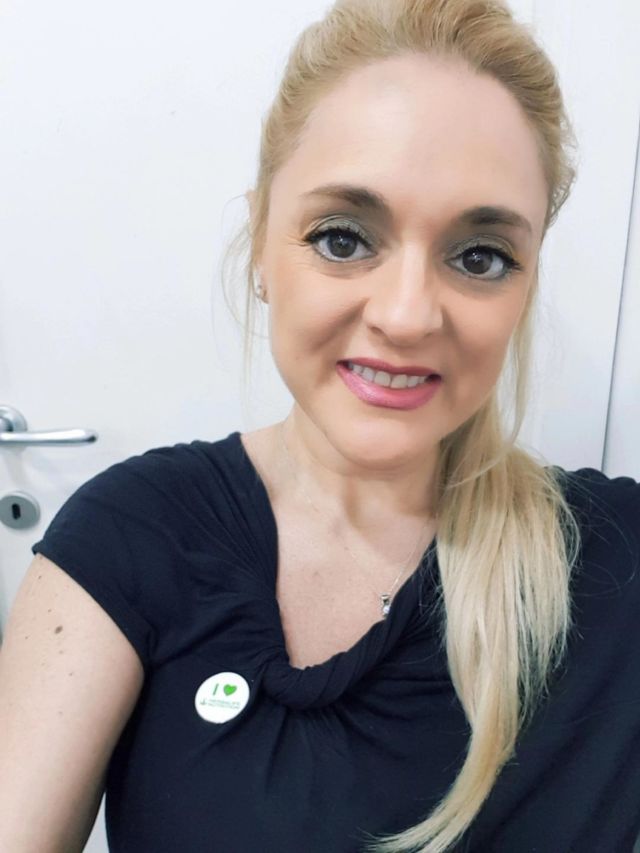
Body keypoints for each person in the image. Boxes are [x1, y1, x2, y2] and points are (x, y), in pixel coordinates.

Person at [1, 0, 639, 850]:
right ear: (263, 247)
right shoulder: (132, 536)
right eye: (343, 239)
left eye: (480, 256)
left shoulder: (618, 564)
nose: (406, 315)